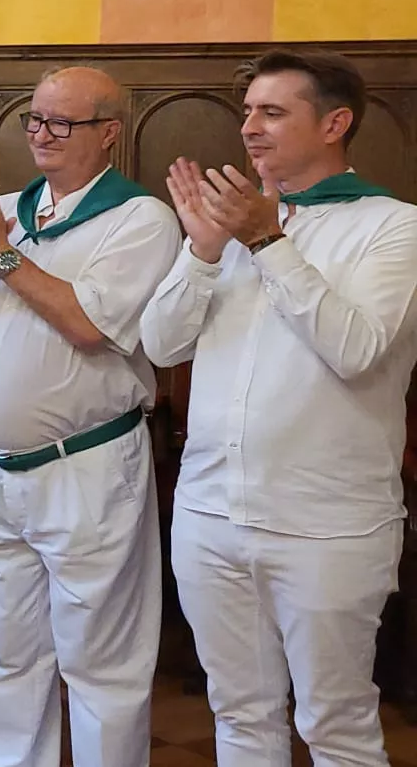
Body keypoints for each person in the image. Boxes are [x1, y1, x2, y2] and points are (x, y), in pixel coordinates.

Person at [141, 49, 417, 767]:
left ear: (335, 122)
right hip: (211, 512)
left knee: (337, 724)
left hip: (326, 524)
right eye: (247, 113)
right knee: (239, 713)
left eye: (272, 112)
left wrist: (267, 239)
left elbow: (355, 350)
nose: (250, 128)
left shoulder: (393, 229)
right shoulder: (225, 226)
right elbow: (162, 344)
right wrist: (203, 251)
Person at [0, 67, 180, 767]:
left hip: (86, 466)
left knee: (100, 659)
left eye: (59, 123)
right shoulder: (5, 207)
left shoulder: (140, 220)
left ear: (108, 132)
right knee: (9, 648)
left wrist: (1, 254)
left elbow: (89, 325)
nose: (40, 133)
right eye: (33, 119)